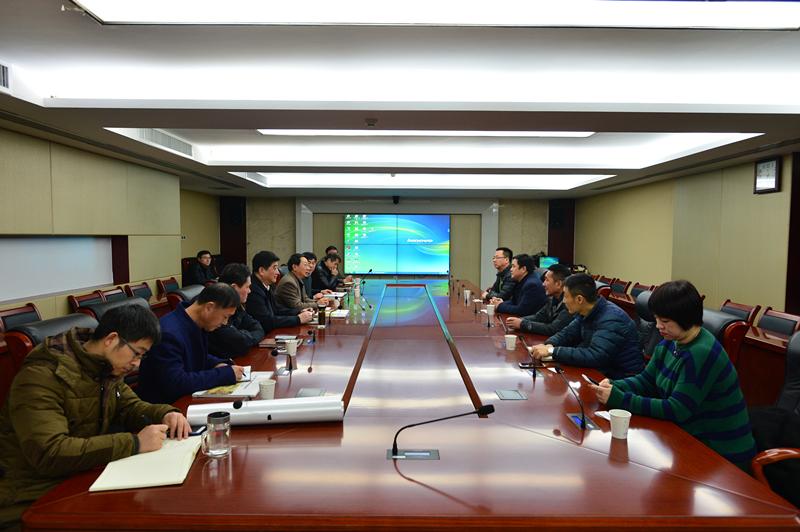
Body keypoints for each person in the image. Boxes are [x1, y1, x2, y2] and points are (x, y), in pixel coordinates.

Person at [0, 305, 190, 527]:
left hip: (81, 475)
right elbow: (50, 452)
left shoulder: (103, 367)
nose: (137, 364)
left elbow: (130, 406)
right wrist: (135, 443)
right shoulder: (40, 377)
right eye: (136, 353)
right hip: (31, 495)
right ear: (111, 339)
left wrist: (166, 413)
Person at [591, 280, 757, 468]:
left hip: (720, 454)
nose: (658, 326)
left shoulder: (701, 353)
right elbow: (646, 381)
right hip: (687, 438)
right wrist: (614, 385)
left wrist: (620, 399)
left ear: (685, 318)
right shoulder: (671, 342)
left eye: (665, 321)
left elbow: (677, 410)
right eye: (657, 319)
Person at [136, 283, 246, 405]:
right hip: (166, 406)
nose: (225, 323)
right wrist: (224, 374)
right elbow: (177, 382)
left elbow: (196, 356)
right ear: (209, 307)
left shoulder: (194, 322)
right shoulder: (169, 333)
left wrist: (218, 364)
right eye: (225, 317)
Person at [530, 273, 643, 379]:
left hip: (619, 379)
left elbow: (596, 356)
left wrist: (552, 351)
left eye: (566, 296)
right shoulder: (586, 311)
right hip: (600, 371)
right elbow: (567, 333)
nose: (564, 301)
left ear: (579, 299)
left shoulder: (612, 319)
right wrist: (549, 344)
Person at [246, 250, 314, 333]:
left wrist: (299, 312)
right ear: (262, 271)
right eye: (274, 268)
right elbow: (266, 321)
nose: (278, 272)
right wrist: (298, 319)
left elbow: (277, 309)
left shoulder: (267, 285)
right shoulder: (253, 290)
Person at [208, 263, 265, 358]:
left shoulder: (236, 304)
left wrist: (242, 334)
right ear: (234, 288)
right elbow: (240, 343)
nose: (250, 291)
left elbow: (257, 327)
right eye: (247, 287)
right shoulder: (217, 307)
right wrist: (243, 334)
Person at [506, 263, 573, 336]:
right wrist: (519, 320)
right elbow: (539, 317)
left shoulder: (569, 303)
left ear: (558, 284)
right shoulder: (552, 299)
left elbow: (553, 329)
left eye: (547, 280)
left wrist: (522, 324)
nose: (543, 284)